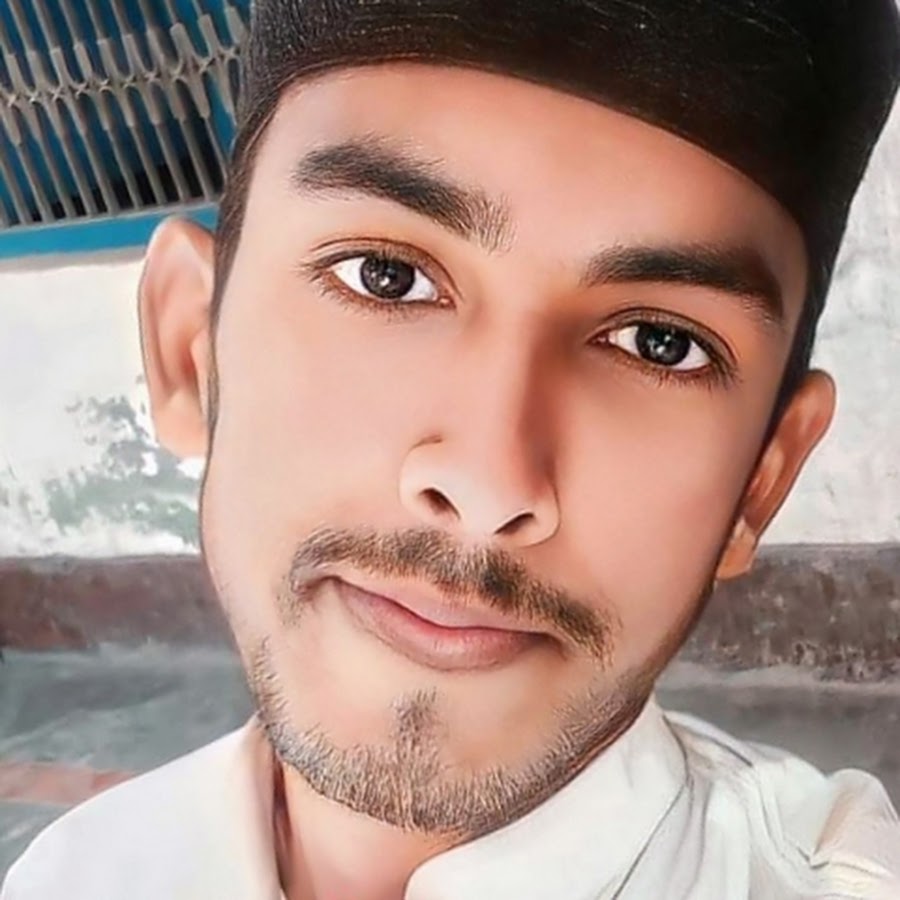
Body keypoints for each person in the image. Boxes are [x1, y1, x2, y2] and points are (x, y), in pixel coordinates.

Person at [4, 1, 900, 897]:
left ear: (761, 483)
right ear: (191, 351)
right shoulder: (74, 874)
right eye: (385, 277)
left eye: (659, 343)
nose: (487, 482)